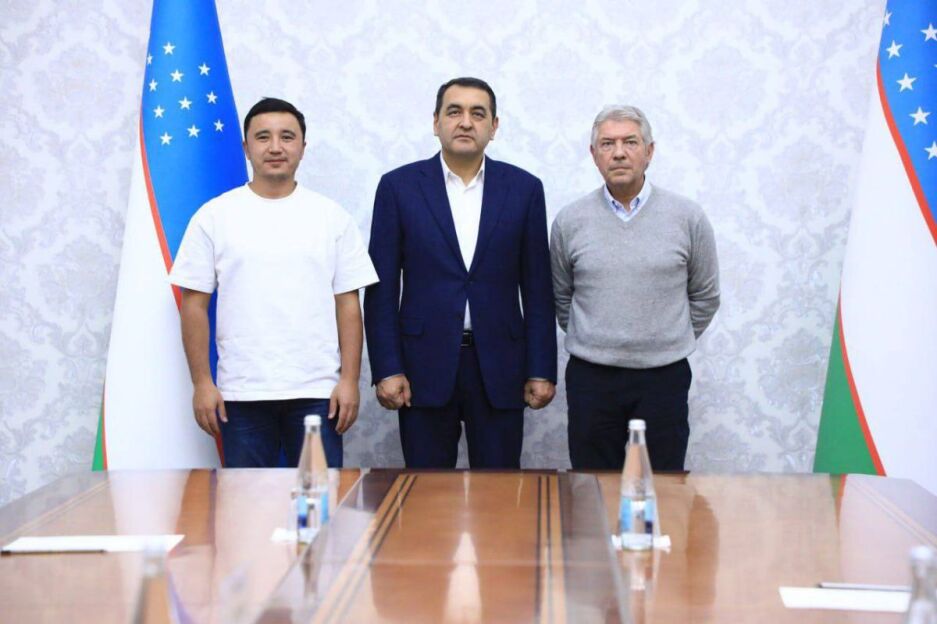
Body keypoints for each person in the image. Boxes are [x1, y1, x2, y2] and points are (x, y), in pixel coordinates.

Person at [169, 97, 377, 468]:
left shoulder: (332, 217)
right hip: (241, 394)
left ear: (303, 147)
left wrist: (349, 380)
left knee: (319, 499)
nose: (276, 147)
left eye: (287, 137)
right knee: (245, 500)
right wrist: (202, 383)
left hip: (318, 392)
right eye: (263, 137)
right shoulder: (214, 216)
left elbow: (348, 305)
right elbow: (194, 305)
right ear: (246, 147)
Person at [364, 77, 557, 469]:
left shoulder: (524, 189)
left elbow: (538, 289)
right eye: (454, 112)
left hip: (501, 366)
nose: (466, 122)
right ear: (436, 122)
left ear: (494, 126)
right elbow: (381, 290)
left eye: (477, 113)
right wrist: (387, 367)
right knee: (426, 492)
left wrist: (541, 368)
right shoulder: (399, 187)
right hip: (422, 366)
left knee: (500, 493)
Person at [551, 105, 720, 471]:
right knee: (592, 486)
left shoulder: (687, 217)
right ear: (594, 154)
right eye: (607, 143)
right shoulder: (570, 221)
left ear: (649, 151)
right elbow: (561, 296)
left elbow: (706, 295)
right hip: (591, 378)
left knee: (663, 486)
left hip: (663, 376)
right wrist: (598, 337)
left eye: (630, 142)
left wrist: (664, 338)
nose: (619, 153)